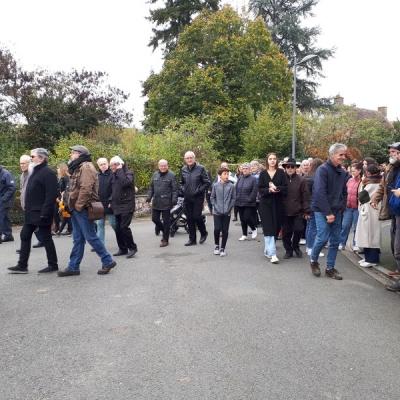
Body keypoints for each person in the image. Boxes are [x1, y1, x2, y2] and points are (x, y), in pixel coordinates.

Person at [58, 145, 116, 276]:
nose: (71, 155)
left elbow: (86, 189)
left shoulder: (86, 167)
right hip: (76, 208)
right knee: (78, 238)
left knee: (90, 236)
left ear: (80, 154)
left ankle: (107, 260)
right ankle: (73, 267)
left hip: (82, 208)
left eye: (73, 153)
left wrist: (78, 206)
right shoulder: (79, 167)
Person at [8, 148, 58, 274]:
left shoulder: (48, 173)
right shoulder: (34, 172)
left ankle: (53, 264)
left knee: (46, 237)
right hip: (31, 212)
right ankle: (22, 265)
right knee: (25, 235)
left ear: (41, 158)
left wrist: (45, 212)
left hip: (41, 212)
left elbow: (51, 194)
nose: (31, 158)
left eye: (33, 156)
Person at [309, 143, 348, 280]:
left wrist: (341, 207)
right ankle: (313, 261)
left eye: (344, 154)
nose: (343, 157)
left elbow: (344, 192)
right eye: (341, 155)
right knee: (323, 237)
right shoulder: (322, 170)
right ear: (332, 155)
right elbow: (319, 193)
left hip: (337, 211)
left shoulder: (343, 172)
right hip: (322, 210)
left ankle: (330, 268)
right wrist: (328, 213)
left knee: (335, 240)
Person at [371, 143, 400, 290]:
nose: (392, 155)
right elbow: (383, 186)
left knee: (398, 245)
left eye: (394, 152)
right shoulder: (391, 168)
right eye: (391, 152)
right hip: (393, 210)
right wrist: (375, 198)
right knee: (394, 241)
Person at [258, 153, 288, 264]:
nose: (272, 161)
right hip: (265, 204)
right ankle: (273, 253)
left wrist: (277, 188)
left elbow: (285, 188)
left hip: (278, 204)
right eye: (270, 159)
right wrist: (269, 190)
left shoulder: (281, 173)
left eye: (274, 159)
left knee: (275, 228)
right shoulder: (262, 174)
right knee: (268, 228)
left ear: (276, 160)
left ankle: (268, 249)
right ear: (267, 161)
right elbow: (260, 189)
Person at [180, 151, 210, 246]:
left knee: (197, 217)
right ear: (185, 160)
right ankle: (192, 240)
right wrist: (183, 189)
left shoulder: (201, 168)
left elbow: (207, 182)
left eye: (191, 157)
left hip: (197, 197)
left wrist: (198, 191)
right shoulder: (183, 169)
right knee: (189, 219)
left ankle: (204, 233)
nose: (189, 159)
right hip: (187, 197)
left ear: (194, 158)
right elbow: (181, 183)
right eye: (187, 158)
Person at [281, 157, 310, 259]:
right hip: (284, 211)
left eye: (292, 167)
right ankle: (288, 250)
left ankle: (295, 246)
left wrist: (306, 211)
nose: (290, 168)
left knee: (299, 229)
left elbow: (305, 196)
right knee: (286, 233)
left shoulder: (301, 180)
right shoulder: (281, 179)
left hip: (298, 211)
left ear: (295, 168)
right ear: (285, 168)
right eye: (288, 166)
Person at [110, 155, 138, 258]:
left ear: (118, 165)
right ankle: (122, 248)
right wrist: (110, 201)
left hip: (127, 205)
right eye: (111, 165)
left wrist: (120, 170)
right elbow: (112, 190)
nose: (111, 167)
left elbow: (125, 183)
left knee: (124, 227)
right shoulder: (113, 175)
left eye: (113, 165)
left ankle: (132, 248)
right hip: (116, 205)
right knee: (118, 228)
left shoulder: (128, 173)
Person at [355, 164, 382, 267]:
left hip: (370, 211)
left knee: (370, 235)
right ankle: (368, 258)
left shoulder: (372, 183)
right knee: (368, 235)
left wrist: (362, 183)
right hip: (370, 211)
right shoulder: (379, 180)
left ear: (368, 173)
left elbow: (362, 196)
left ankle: (372, 259)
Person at [147, 159, 178, 247]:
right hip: (156, 202)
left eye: (165, 165)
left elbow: (175, 189)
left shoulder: (172, 175)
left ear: (167, 166)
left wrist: (174, 200)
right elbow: (151, 188)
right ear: (158, 166)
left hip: (166, 202)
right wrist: (149, 197)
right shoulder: (155, 174)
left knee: (166, 222)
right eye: (161, 165)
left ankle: (165, 240)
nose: (163, 167)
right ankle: (165, 232)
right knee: (155, 219)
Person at [210, 166, 236, 257]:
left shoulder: (231, 186)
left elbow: (233, 198)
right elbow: (212, 198)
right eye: (225, 174)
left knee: (225, 230)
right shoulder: (215, 185)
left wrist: (229, 208)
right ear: (220, 175)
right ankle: (216, 245)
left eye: (228, 174)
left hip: (227, 212)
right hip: (217, 212)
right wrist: (215, 207)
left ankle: (223, 248)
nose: (227, 176)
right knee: (217, 229)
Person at [338, 162, 362, 250]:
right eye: (351, 171)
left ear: (359, 171)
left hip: (357, 208)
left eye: (354, 171)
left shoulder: (362, 182)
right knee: (345, 226)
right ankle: (342, 243)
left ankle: (356, 244)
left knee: (356, 227)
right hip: (348, 207)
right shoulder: (349, 180)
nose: (352, 173)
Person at [304, 158, 324, 257]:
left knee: (310, 226)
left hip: (310, 205)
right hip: (314, 205)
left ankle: (309, 246)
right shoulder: (315, 178)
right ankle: (311, 247)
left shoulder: (308, 176)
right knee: (313, 227)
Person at [95, 158, 116, 245]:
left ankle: (122, 239)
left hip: (109, 204)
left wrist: (111, 201)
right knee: (100, 224)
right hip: (99, 204)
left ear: (107, 164)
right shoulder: (96, 176)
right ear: (98, 166)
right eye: (101, 164)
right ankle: (100, 245)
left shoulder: (112, 174)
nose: (103, 165)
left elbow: (115, 189)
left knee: (113, 224)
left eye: (104, 163)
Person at [235, 163, 258, 241]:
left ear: (250, 170)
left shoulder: (253, 179)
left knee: (247, 217)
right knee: (242, 219)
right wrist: (236, 197)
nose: (244, 170)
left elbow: (255, 190)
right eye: (243, 168)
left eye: (246, 168)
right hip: (239, 201)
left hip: (249, 202)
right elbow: (236, 188)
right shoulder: (240, 178)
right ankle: (244, 234)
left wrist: (250, 199)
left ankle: (253, 228)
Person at [0, 164, 16, 243]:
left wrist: (3, 199)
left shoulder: (6, 174)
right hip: (2, 199)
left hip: (5, 200)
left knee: (1, 217)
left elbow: (12, 188)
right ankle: (8, 235)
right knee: (5, 217)